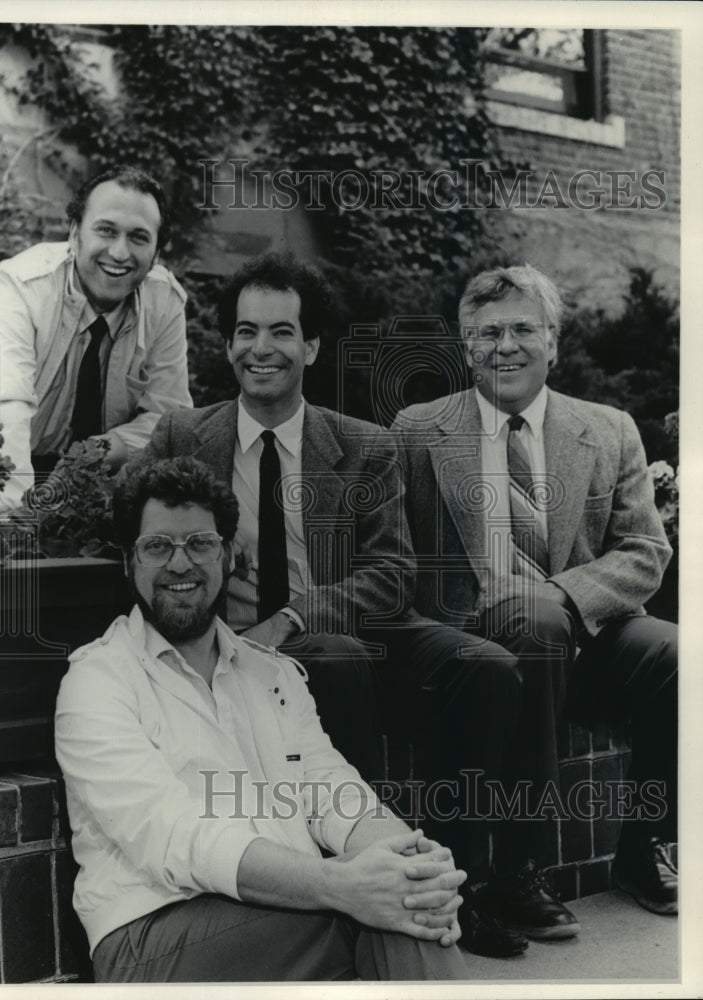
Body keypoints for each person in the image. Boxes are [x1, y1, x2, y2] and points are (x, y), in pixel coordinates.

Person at [55, 456, 469, 982]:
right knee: (382, 916)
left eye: (200, 543)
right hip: (152, 936)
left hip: (287, 912)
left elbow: (331, 789)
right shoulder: (98, 682)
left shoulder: (272, 674)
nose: (179, 564)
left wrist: (406, 861)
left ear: (230, 555)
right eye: (157, 546)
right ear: (129, 562)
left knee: (404, 901)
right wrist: (344, 886)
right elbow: (177, 838)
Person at [139, 253, 516, 808]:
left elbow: (391, 575)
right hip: (236, 646)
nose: (260, 348)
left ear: (311, 348)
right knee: (337, 660)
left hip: (348, 633)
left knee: (488, 668)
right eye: (246, 332)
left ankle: (465, 873)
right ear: (226, 346)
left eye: (281, 332)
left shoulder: (364, 445)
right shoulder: (183, 435)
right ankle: (357, 856)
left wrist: (292, 619)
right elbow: (126, 527)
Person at [393, 264, 678, 950]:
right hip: (482, 645)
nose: (505, 345)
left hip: (583, 634)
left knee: (679, 654)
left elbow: (645, 551)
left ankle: (641, 844)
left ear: (552, 341)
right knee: (533, 622)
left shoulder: (607, 430)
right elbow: (392, 552)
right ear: (466, 349)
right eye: (487, 333)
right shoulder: (420, 429)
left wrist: (563, 595)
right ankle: (518, 871)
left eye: (523, 328)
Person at [0, 164, 192, 507]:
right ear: (74, 232)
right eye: (106, 231)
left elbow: (170, 422)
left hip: (81, 479)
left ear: (156, 254)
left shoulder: (164, 301)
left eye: (138, 237)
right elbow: (1, 415)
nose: (120, 253)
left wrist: (103, 450)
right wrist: (17, 525)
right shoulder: (19, 287)